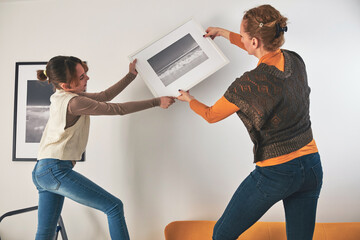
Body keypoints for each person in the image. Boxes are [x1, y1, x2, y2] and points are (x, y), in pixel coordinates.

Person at [177, 4, 323, 240]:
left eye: (243, 36)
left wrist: (189, 99)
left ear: (254, 41)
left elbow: (211, 115)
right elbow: (257, 45)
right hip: (312, 166)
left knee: (222, 234)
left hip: (277, 173)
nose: (242, 40)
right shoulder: (295, 60)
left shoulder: (250, 84)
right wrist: (224, 34)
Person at [32, 56, 175, 240]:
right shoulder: (74, 102)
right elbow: (116, 109)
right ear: (65, 85)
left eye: (85, 74)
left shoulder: (62, 96)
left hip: (42, 171)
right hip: (55, 169)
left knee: (46, 232)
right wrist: (156, 102)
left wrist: (130, 76)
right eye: (82, 77)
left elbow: (103, 96)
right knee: (114, 207)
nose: (87, 79)